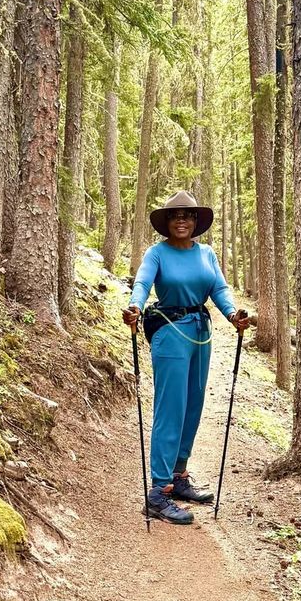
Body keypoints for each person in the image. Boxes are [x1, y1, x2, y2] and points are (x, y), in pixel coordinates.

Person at [123, 191, 250, 525]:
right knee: (171, 408)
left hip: (200, 333)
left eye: (188, 215)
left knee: (193, 405)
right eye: (175, 215)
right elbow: (142, 283)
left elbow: (219, 289)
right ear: (167, 222)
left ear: (196, 221)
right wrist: (135, 305)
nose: (181, 220)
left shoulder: (206, 253)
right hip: (169, 331)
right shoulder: (157, 253)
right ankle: (158, 492)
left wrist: (232, 314)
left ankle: (178, 477)